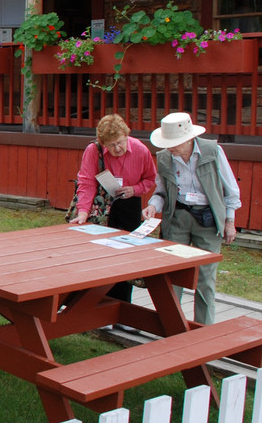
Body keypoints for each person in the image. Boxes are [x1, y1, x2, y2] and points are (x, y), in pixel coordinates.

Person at [142, 112, 241, 325]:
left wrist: (229, 221)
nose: (171, 148)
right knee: (172, 272)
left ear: (188, 139)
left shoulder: (213, 151)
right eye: (168, 143)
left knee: (205, 277)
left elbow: (230, 189)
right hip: (178, 217)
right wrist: (152, 206)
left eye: (175, 143)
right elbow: (161, 192)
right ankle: (170, 324)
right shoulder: (165, 158)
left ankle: (204, 328)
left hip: (208, 218)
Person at [70, 114, 157, 303]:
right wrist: (83, 211)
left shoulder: (141, 151)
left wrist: (135, 189)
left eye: (120, 142)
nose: (117, 149)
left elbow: (150, 179)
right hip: (101, 206)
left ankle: (121, 306)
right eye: (111, 145)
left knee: (125, 256)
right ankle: (87, 303)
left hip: (128, 204)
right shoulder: (93, 151)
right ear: (103, 143)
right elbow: (86, 182)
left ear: (126, 136)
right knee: (94, 254)